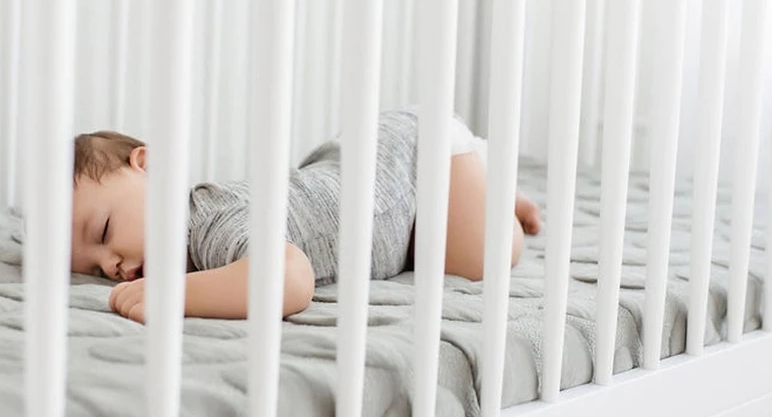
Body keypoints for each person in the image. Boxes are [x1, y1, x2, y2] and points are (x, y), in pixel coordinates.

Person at [70, 107, 541, 324]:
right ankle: (486, 185)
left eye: (104, 231)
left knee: (477, 257)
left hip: (410, 159)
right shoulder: (196, 248)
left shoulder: (211, 221)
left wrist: (173, 295)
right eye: (93, 267)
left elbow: (290, 279)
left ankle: (481, 171)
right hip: (358, 175)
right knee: (429, 245)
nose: (110, 265)